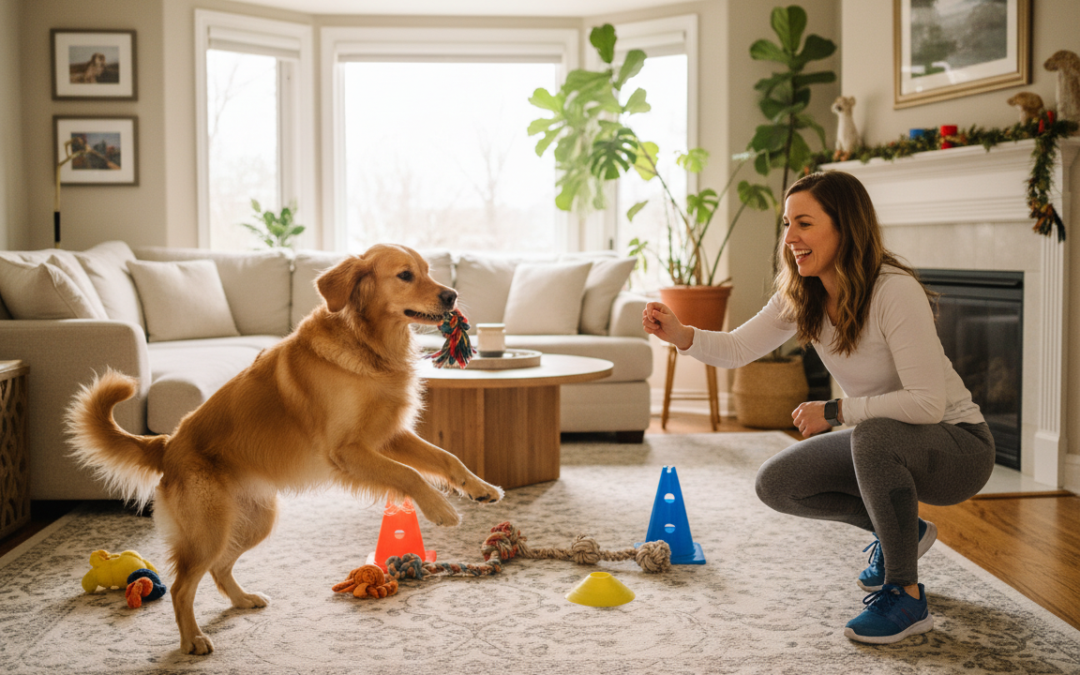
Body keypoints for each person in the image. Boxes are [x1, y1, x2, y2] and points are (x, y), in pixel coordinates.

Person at [642, 170, 995, 645]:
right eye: (788, 224)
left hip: (958, 448)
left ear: (845, 227)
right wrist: (680, 334)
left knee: (872, 436)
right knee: (778, 483)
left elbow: (928, 404)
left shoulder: (893, 290)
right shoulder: (804, 293)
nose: (790, 238)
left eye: (804, 224)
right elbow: (736, 348)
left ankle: (906, 595)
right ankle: (904, 533)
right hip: (888, 437)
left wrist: (835, 412)